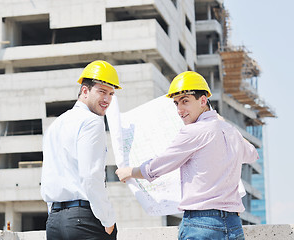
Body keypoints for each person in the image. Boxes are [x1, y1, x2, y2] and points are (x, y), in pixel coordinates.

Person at [115, 71, 258, 240]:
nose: (179, 110)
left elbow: (156, 167)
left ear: (203, 100)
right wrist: (224, 124)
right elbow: (252, 154)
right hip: (234, 225)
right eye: (176, 103)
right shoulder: (231, 131)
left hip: (201, 225)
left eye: (185, 101)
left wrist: (129, 172)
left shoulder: (193, 131)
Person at [41, 60, 121, 240]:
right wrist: (108, 220)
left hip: (54, 222)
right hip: (83, 220)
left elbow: (48, 177)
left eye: (110, 94)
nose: (107, 99)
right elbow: (90, 176)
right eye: (101, 91)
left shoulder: (55, 125)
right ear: (85, 90)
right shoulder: (92, 122)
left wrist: (55, 214)